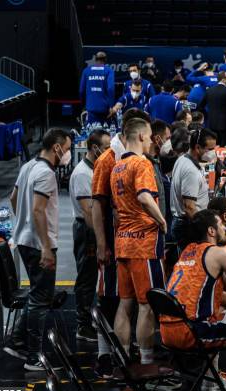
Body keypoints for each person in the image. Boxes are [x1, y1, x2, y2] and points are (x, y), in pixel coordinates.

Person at [161, 209, 226, 391]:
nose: (224, 228)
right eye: (221, 224)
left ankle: (212, 380)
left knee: (216, 314)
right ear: (211, 231)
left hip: (167, 333)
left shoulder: (188, 251)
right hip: (193, 334)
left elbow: (225, 293)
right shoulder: (219, 253)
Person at [91, 108, 151, 377]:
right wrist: (102, 243)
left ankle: (125, 352)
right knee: (109, 297)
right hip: (116, 241)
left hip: (132, 240)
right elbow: (97, 205)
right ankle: (106, 355)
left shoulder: (134, 158)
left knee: (131, 300)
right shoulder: (107, 160)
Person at [7, 128, 72, 371]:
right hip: (38, 244)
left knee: (37, 294)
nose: (67, 154)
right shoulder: (46, 173)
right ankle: (34, 357)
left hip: (25, 239)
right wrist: (45, 246)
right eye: (66, 150)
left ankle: (16, 340)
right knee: (41, 300)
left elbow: (13, 199)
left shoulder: (27, 167)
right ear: (56, 147)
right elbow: (38, 210)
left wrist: (22, 224)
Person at [110, 118, 166, 364]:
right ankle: (146, 363)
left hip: (122, 241)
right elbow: (144, 197)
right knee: (147, 305)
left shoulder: (116, 167)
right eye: (151, 134)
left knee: (125, 304)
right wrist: (161, 220)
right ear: (142, 136)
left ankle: (121, 359)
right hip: (143, 242)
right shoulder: (141, 164)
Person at [69, 129, 111, 343]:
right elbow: (88, 212)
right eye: (106, 148)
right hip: (87, 231)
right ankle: (83, 325)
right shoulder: (82, 174)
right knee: (86, 277)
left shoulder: (95, 169)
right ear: (95, 148)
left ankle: (89, 318)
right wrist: (100, 238)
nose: (109, 152)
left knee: (94, 277)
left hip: (93, 229)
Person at [170, 128, 217, 250]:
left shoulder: (183, 159)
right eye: (210, 149)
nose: (213, 152)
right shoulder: (191, 171)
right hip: (188, 226)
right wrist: (206, 227)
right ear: (197, 148)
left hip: (182, 222)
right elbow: (190, 207)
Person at [198, 71, 226, 147]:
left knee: (214, 148)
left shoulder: (209, 90)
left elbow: (200, 106)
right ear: (223, 79)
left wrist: (208, 115)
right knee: (225, 149)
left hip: (212, 124)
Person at [80, 51, 115, 125]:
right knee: (105, 132)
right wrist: (111, 106)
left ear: (95, 59)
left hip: (91, 107)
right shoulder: (109, 70)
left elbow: (81, 90)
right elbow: (110, 89)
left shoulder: (86, 71)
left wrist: (83, 105)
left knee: (92, 132)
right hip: (105, 108)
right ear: (105, 60)